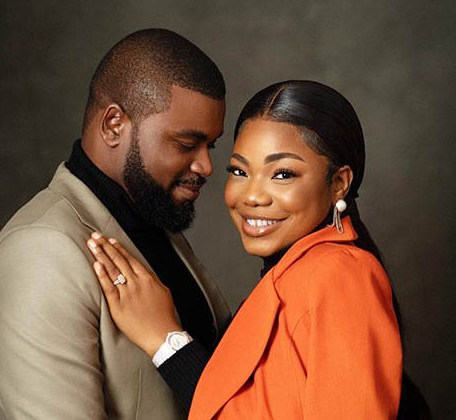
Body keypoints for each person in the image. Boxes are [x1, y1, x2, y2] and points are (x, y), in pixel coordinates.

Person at [87, 80, 407, 419]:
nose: (252, 196)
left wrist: (164, 339)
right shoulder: (296, 274)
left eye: (282, 174)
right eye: (239, 171)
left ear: (339, 183)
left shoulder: (339, 275)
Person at [0, 28, 231, 420]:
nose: (206, 166)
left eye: (209, 146)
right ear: (113, 124)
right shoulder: (38, 253)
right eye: (185, 144)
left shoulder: (152, 217)